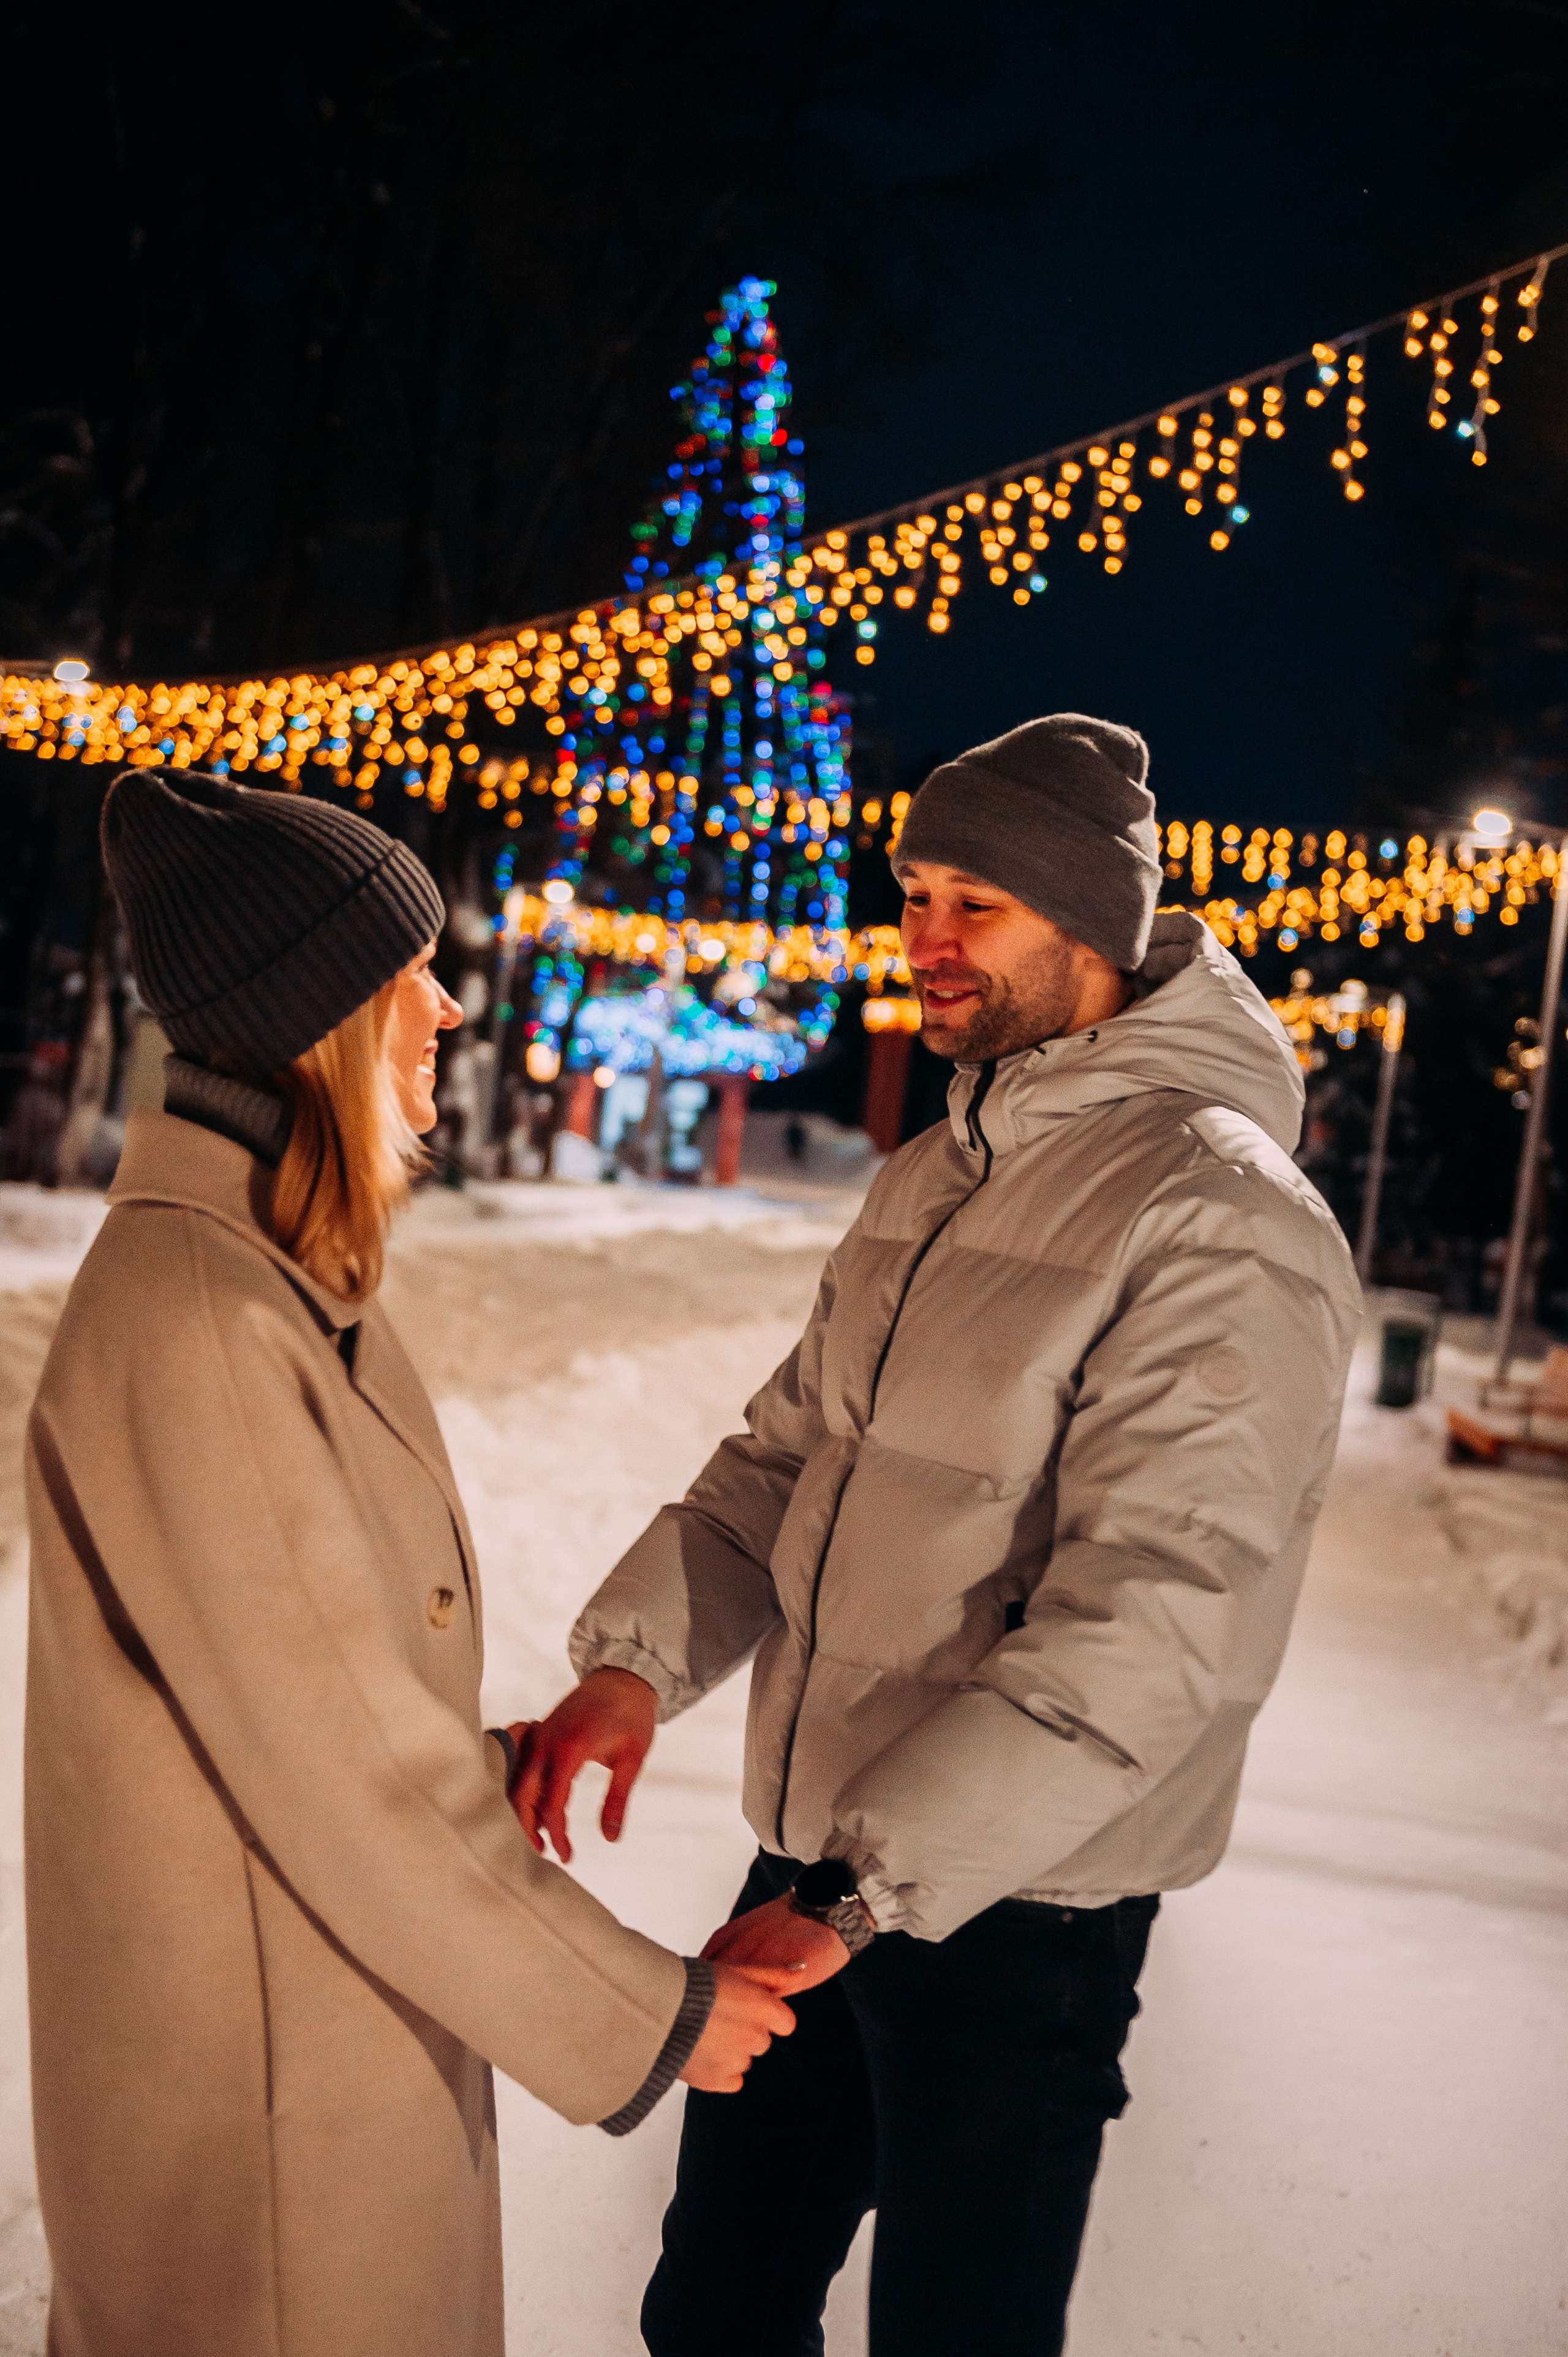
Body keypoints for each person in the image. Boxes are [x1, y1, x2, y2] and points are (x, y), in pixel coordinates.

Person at [518, 714, 1363, 2356]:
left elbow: (1153, 1631)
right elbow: (780, 1462)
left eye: (976, 899)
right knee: (715, 2308)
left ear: (1095, 928)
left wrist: (855, 1901)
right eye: (915, 891)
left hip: (1017, 1917)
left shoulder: (1223, 1213)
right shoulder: (934, 1175)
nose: (926, 935)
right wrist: (630, 1670)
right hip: (824, 1853)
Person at [24, 766, 802, 2357]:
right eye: (404, 979)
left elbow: (290, 1704)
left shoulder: (265, 1282)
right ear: (312, 1018)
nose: (448, 1009)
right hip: (271, 2128)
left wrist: (479, 1751)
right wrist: (645, 2020)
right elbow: (355, 1786)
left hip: (310, 2042)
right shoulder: (209, 1324)